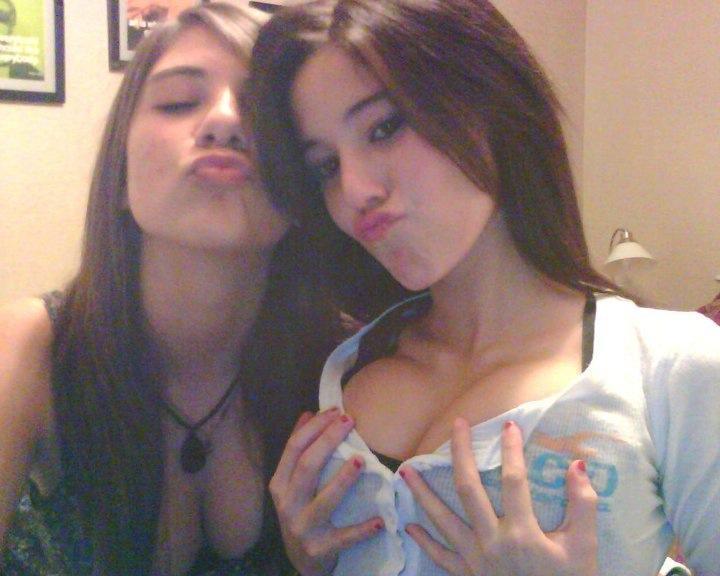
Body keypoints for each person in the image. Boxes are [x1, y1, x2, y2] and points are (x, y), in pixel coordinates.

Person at [246, 0, 720, 575]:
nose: (354, 190)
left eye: (385, 127)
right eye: (325, 165)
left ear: (489, 104)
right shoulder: (337, 365)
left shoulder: (671, 367)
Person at [0, 3, 347, 575]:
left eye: (259, 110)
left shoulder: (346, 370)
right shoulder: (30, 347)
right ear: (120, 177)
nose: (225, 120)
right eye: (179, 102)